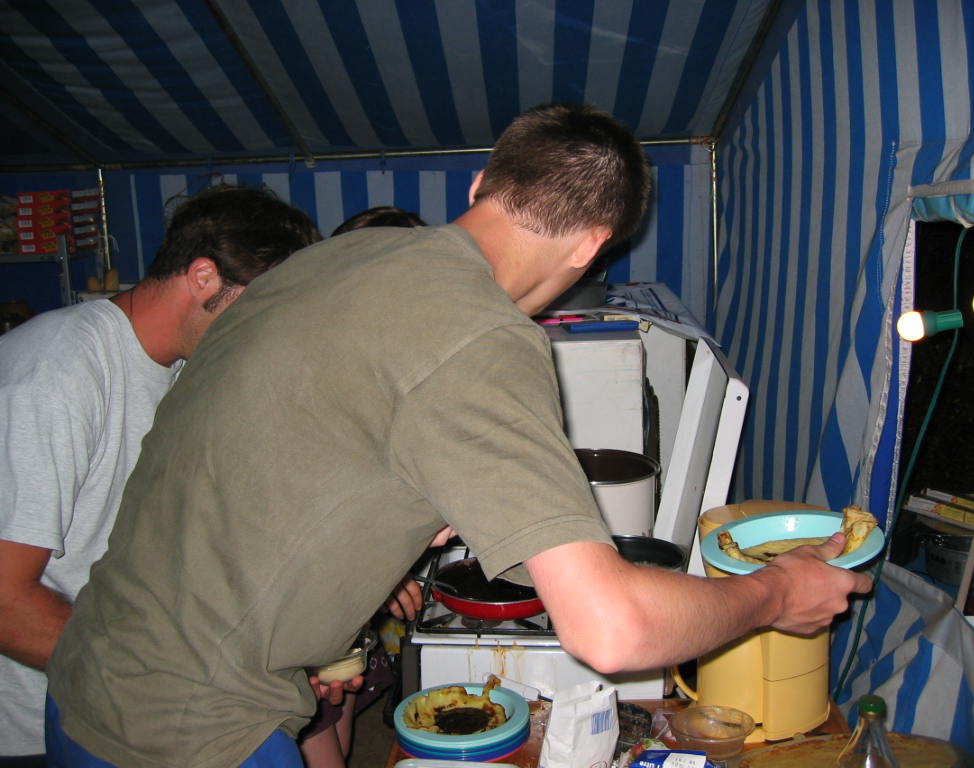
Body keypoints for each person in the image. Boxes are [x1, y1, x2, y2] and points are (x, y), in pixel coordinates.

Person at [45, 103, 872, 768]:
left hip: (85, 681)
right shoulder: (480, 337)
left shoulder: (322, 265)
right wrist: (776, 593)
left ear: (479, 184)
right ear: (593, 246)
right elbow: (612, 628)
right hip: (191, 734)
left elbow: (270, 456)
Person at [0, 184, 321, 765]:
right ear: (203, 277)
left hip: (125, 704)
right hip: (48, 717)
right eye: (264, 306)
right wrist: (175, 687)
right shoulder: (56, 374)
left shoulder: (183, 371)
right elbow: (5, 599)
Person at [300, 205, 426, 768]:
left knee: (339, 732)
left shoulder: (378, 355)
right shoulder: (311, 364)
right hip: (300, 604)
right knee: (319, 740)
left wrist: (382, 568)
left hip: (345, 603)